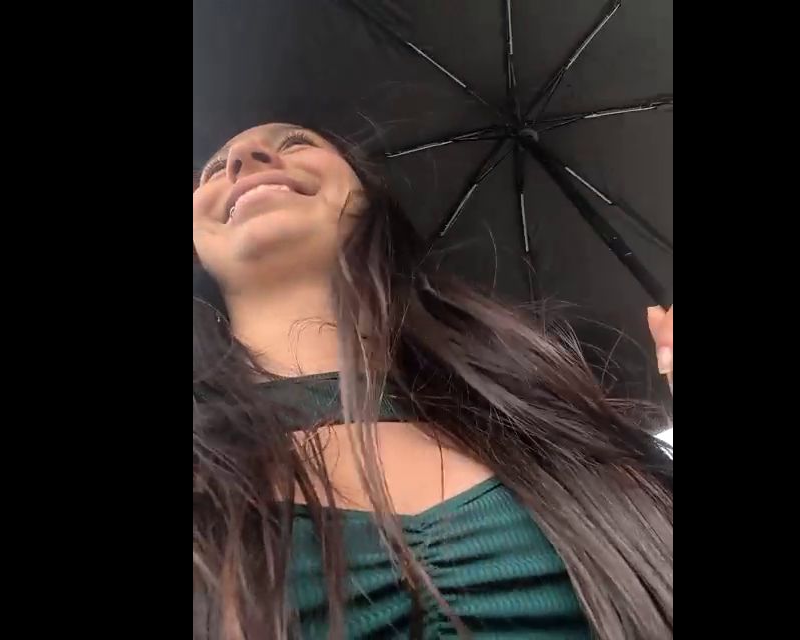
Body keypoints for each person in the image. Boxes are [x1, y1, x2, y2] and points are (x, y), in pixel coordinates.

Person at [193, 123, 673, 639]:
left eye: (296, 143)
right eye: (213, 170)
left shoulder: (565, 435)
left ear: (370, 198)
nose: (244, 156)